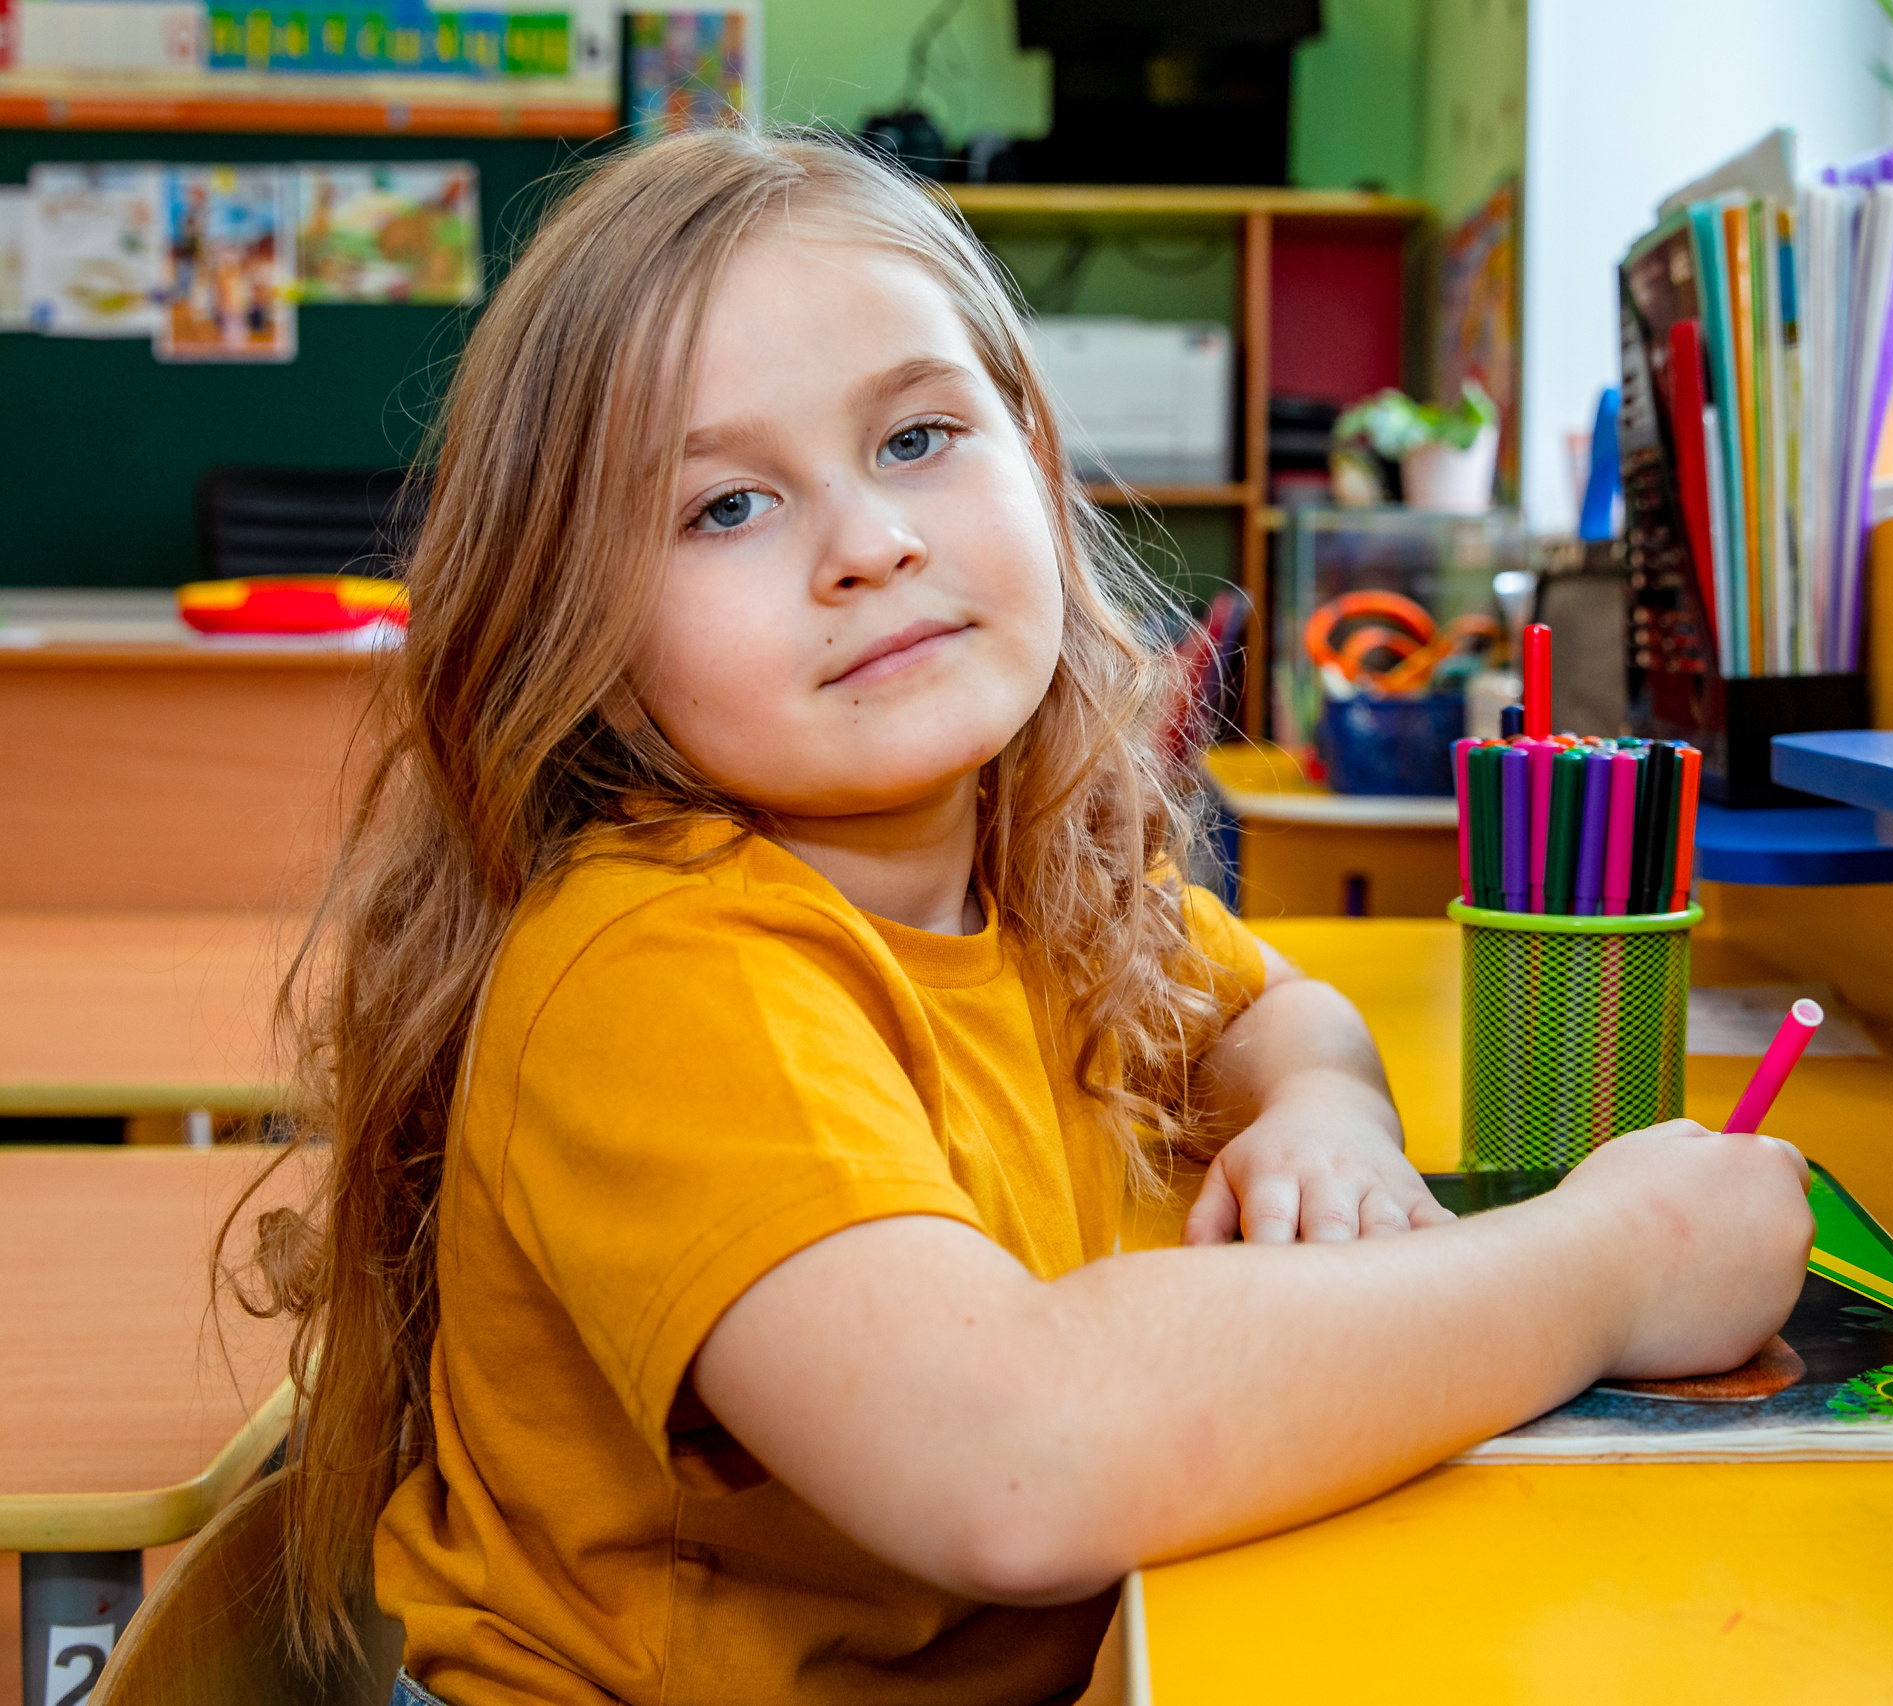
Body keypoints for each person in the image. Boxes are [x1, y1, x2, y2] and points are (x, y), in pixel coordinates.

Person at [243, 128, 1813, 1706]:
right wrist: (1609, 1265)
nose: (870, 543)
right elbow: (1014, 1459)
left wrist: (1324, 1113)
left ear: (1038, 462)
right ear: (567, 615)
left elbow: (1276, 1009)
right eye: (727, 507)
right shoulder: (659, 967)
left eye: (919, 436)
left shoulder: (1033, 868)